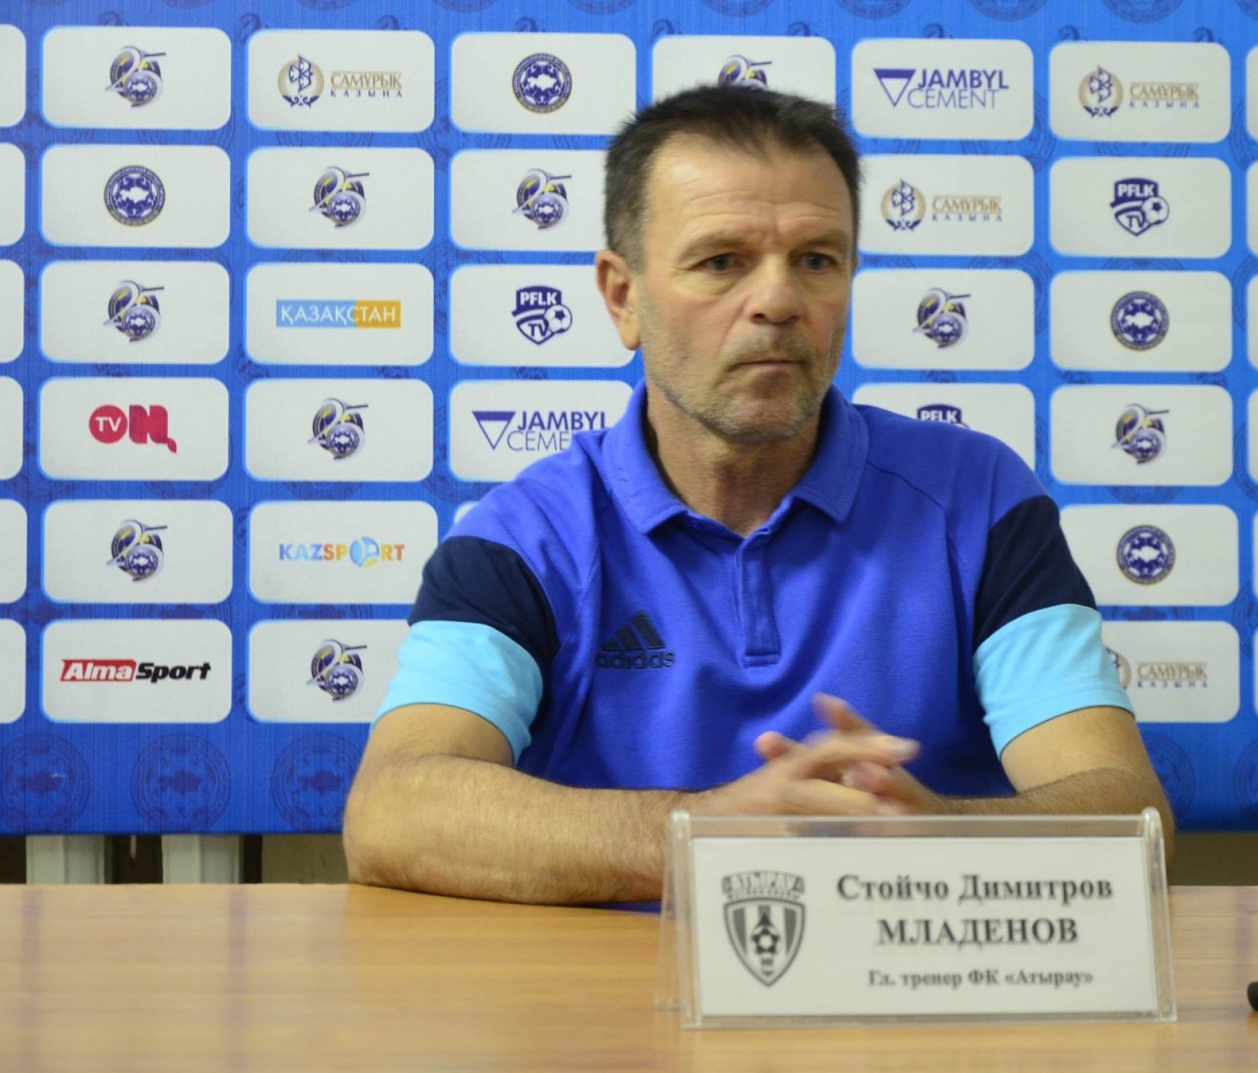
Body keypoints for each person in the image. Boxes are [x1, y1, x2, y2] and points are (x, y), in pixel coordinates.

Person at [343, 85, 1172, 905]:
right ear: (623, 296)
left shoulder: (976, 500)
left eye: (815, 261)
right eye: (721, 262)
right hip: (614, 988)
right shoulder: (524, 538)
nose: (777, 301)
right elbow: (391, 812)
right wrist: (705, 835)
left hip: (904, 975)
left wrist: (936, 842)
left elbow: (1130, 815)